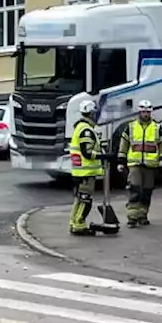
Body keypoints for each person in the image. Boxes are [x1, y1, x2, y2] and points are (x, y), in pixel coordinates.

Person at [116, 99, 162, 228]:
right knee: (135, 189)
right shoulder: (131, 127)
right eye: (143, 111)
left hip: (151, 165)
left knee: (146, 191)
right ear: (139, 112)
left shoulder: (156, 127)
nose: (145, 114)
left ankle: (142, 215)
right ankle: (132, 217)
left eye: (148, 112)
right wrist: (121, 161)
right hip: (135, 164)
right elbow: (123, 145)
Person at [68, 100, 103, 236]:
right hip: (86, 172)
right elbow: (87, 152)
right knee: (85, 200)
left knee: (79, 199)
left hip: (80, 171)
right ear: (91, 113)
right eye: (95, 113)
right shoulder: (86, 130)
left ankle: (74, 222)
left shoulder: (80, 127)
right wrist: (102, 156)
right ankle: (79, 225)